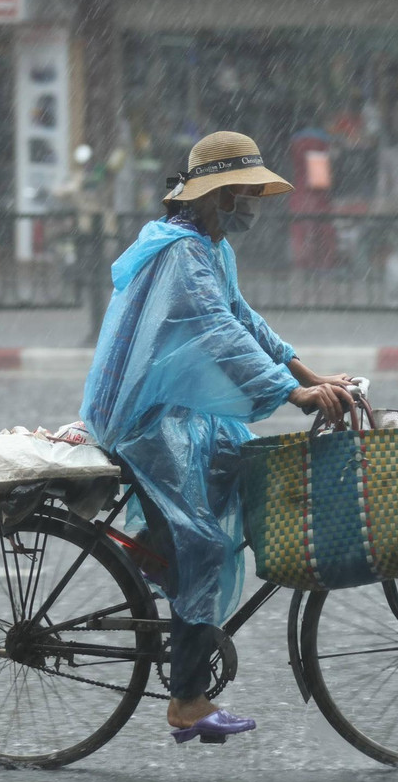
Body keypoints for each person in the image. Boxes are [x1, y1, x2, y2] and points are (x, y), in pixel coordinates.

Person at [79, 130, 354, 743]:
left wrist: (305, 371)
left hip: (174, 408)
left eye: (251, 194)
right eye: (237, 194)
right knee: (204, 540)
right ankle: (187, 700)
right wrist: (292, 393)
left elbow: (243, 318)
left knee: (237, 461)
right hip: (144, 415)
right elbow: (219, 335)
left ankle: (154, 548)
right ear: (208, 197)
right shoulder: (180, 253)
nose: (248, 206)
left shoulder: (210, 249)